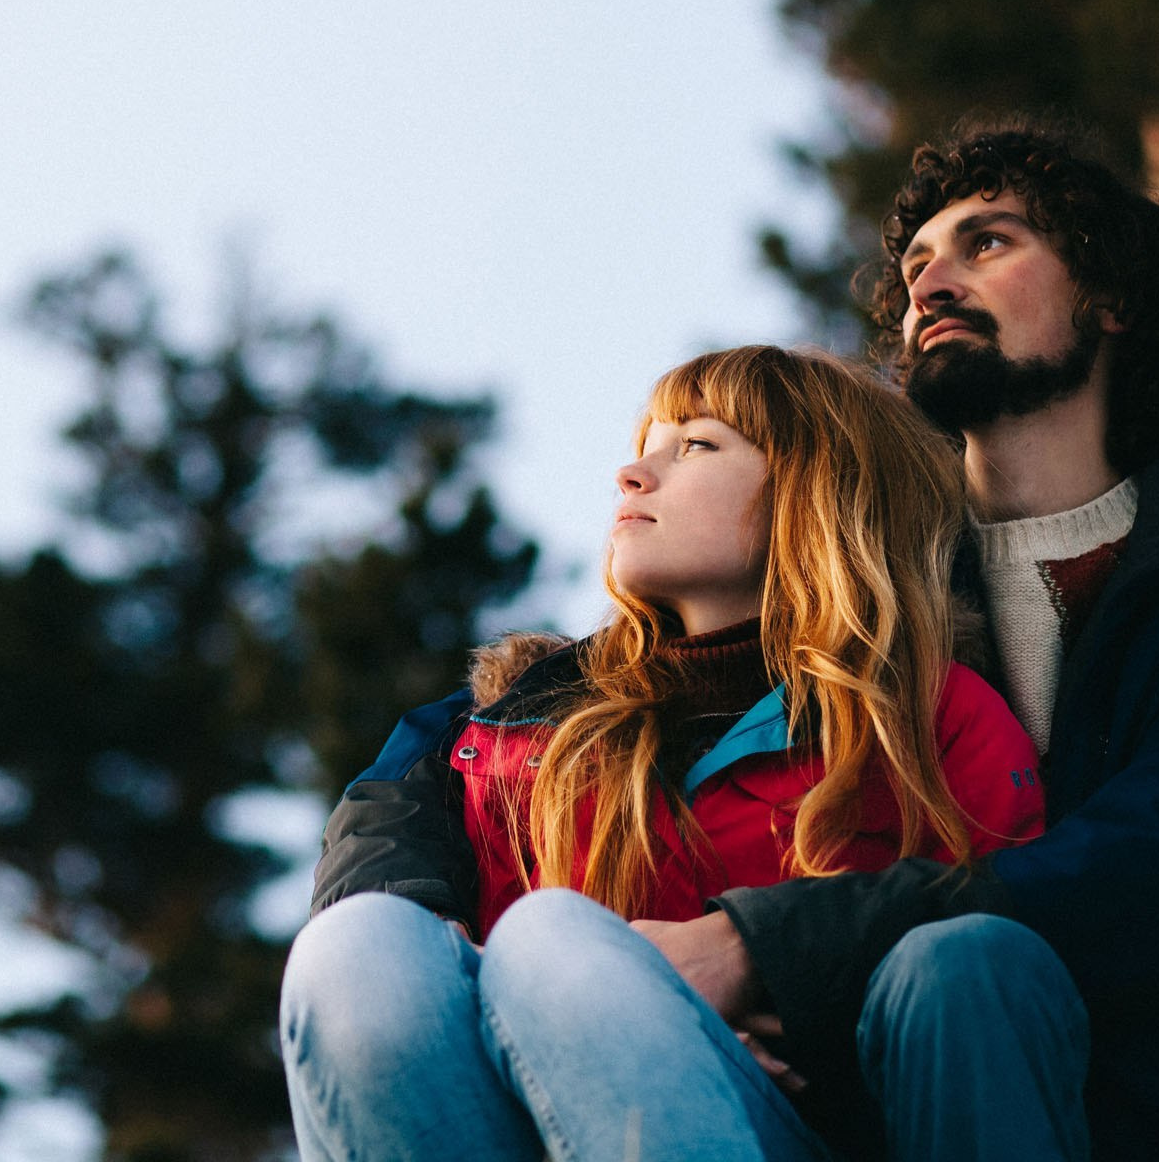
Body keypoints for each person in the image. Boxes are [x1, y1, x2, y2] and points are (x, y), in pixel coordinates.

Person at [714, 122, 1159, 1158]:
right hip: (898, 1111)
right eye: (918, 263)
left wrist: (780, 949)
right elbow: (621, 710)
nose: (930, 284)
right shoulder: (865, 597)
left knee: (961, 966)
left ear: (1108, 300)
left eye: (988, 244)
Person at [284, 345, 1068, 1162]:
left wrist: (760, 963)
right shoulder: (515, 732)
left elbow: (1001, 912)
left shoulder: (919, 713)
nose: (633, 472)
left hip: (803, 1119)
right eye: (646, 442)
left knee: (555, 938)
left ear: (819, 492)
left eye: (694, 446)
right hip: (531, 1114)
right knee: (359, 943)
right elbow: (383, 841)